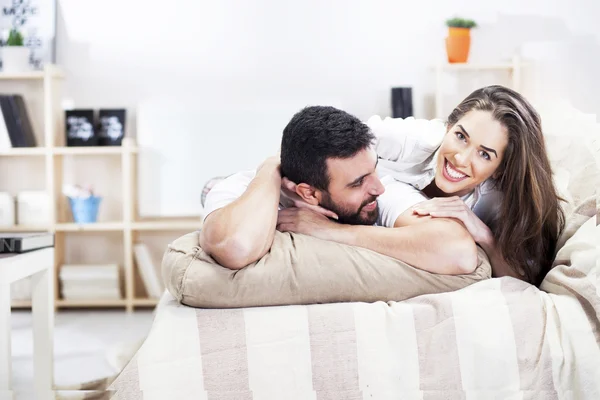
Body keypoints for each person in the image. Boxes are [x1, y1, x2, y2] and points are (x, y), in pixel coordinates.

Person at [283, 86, 565, 286]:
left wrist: (484, 235)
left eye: (485, 154)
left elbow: (523, 279)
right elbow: (319, 148)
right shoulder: (416, 139)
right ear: (448, 126)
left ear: (501, 167)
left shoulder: (498, 200)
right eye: (461, 136)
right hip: (370, 195)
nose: (460, 158)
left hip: (399, 211)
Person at [200, 105, 478, 274]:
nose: (378, 188)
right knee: (212, 188)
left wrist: (330, 231)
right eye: (357, 183)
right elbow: (235, 248)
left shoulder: (380, 188)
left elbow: (459, 251)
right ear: (308, 193)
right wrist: (271, 167)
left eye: (374, 168)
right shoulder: (240, 187)